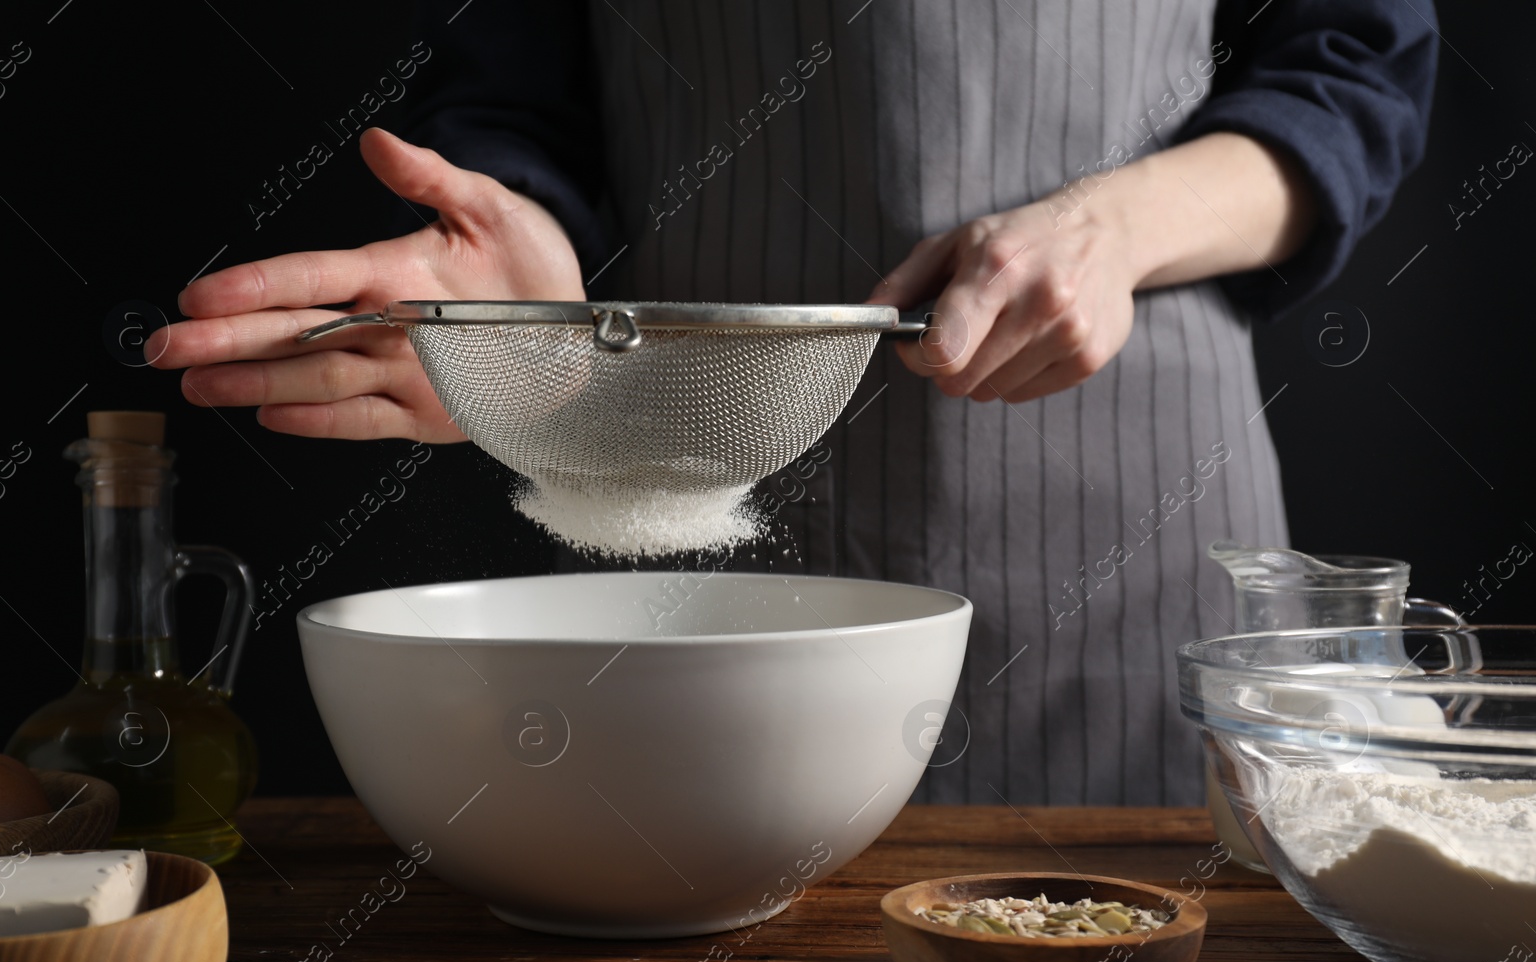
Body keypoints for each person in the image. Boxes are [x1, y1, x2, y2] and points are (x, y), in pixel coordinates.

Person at [149, 1, 1437, 805]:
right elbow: (518, 86)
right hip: (670, 448)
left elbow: (1357, 71)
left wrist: (1115, 225)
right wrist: (526, 264)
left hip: (1126, 497)